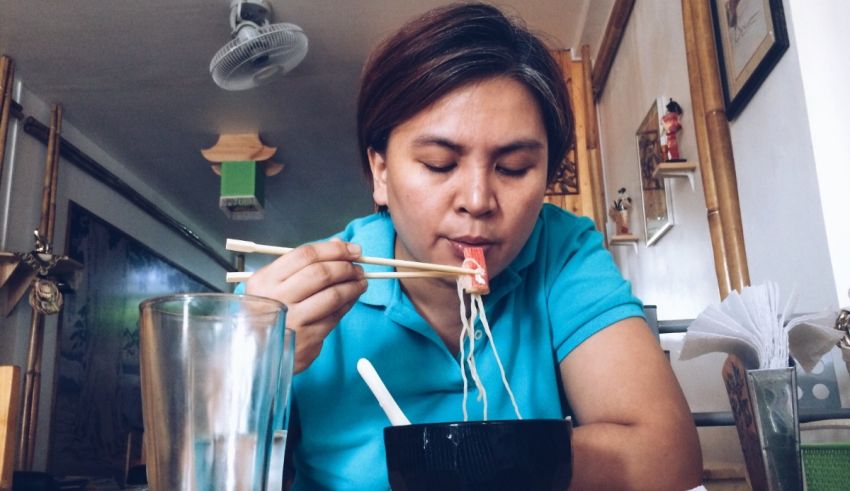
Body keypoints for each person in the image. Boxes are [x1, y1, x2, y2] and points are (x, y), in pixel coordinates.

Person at [243, 3, 702, 489]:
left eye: (514, 168)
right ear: (380, 171)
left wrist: (471, 457)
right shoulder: (297, 297)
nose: (479, 202)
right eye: (440, 164)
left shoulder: (560, 250)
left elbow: (667, 457)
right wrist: (246, 369)